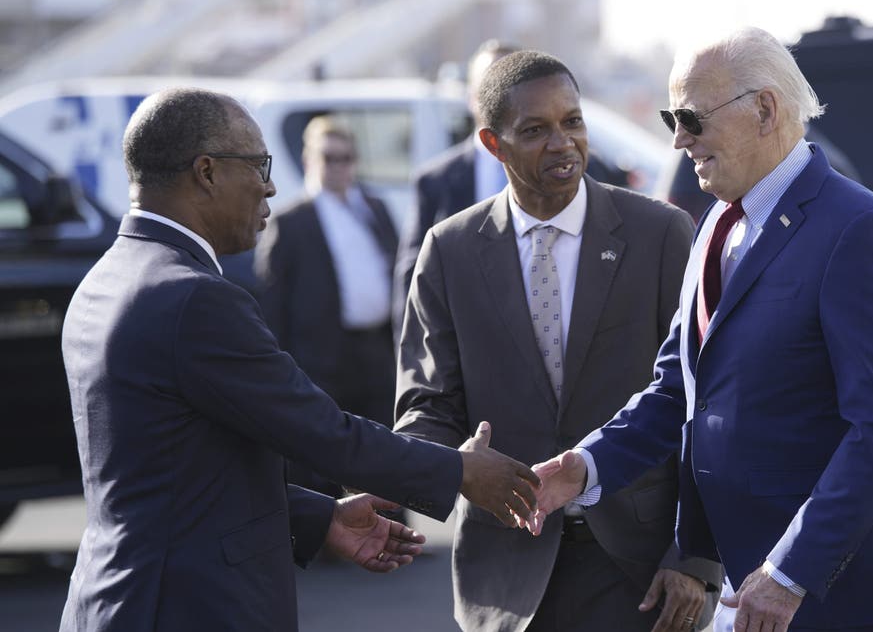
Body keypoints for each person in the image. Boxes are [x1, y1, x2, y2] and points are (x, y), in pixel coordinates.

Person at [527, 28, 873, 631]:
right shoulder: (714, 226)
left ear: (764, 109)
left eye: (691, 118)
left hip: (829, 591)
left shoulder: (856, 228)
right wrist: (586, 465)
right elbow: (677, 389)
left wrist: (791, 572)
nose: (679, 139)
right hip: (744, 578)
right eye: (670, 118)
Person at [59, 87, 540, 632]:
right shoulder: (193, 298)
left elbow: (180, 474)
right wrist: (459, 470)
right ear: (207, 172)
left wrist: (319, 518)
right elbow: (324, 433)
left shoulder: (107, 278)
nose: (269, 184)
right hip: (184, 607)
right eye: (258, 164)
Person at [394, 50, 721, 632]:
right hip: (506, 576)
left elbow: (708, 403)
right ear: (494, 145)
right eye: (536, 130)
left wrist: (694, 559)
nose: (563, 143)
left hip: (640, 572)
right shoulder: (449, 250)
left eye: (572, 121)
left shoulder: (660, 233)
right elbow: (426, 406)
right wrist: (448, 464)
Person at [393, 39, 626, 302]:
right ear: (472, 97)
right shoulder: (436, 182)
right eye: (490, 85)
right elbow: (414, 278)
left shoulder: (586, 166)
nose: (559, 144)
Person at [255, 116, 398, 498]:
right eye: (329, 157)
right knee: (321, 444)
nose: (338, 166)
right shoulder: (291, 221)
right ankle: (327, 532)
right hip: (317, 355)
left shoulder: (374, 208)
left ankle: (388, 521)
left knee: (380, 437)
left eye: (346, 157)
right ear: (308, 160)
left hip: (374, 349)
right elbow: (272, 302)